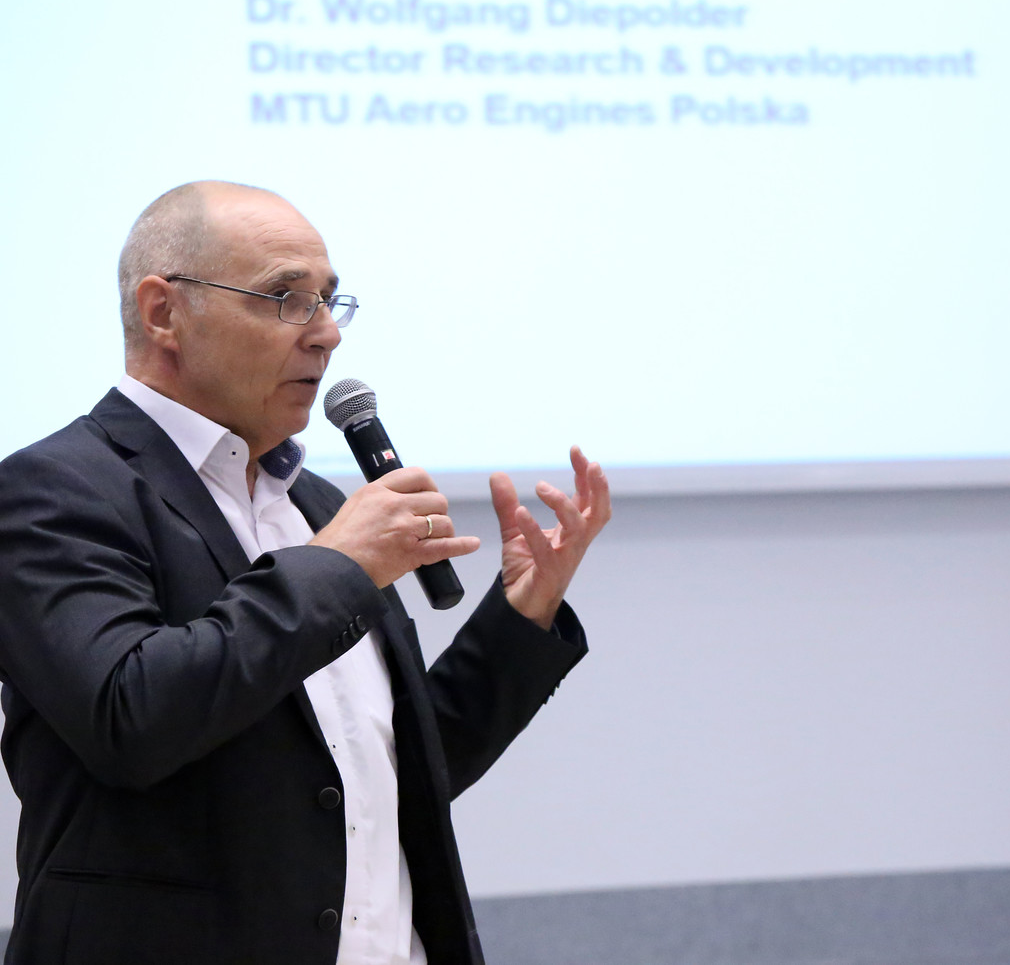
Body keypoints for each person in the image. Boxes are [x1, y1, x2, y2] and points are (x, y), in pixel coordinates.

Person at [0, 181, 611, 964]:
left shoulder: (315, 503)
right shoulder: (54, 489)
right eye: (287, 298)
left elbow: (387, 775)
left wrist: (521, 616)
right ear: (163, 312)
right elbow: (130, 718)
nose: (326, 335)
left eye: (329, 301)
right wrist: (337, 566)